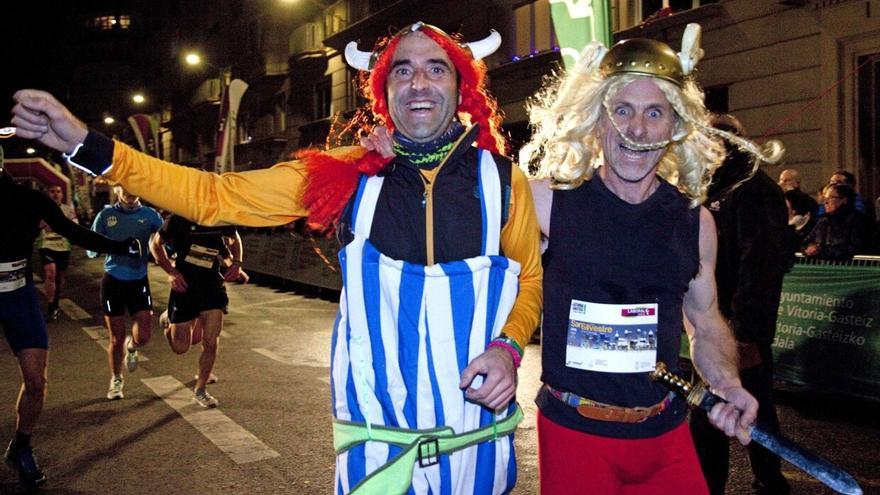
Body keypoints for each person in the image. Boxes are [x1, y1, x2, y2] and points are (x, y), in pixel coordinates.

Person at [12, 21, 542, 494]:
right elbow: (214, 196)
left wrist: (509, 347)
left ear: (461, 85)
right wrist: (87, 145)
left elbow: (531, 281)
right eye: (402, 71)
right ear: (384, 91)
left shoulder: (502, 182)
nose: (419, 84)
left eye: (436, 69)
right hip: (378, 456)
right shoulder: (347, 175)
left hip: (477, 447)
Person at [519, 24, 772, 493]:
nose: (637, 130)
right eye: (622, 111)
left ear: (675, 126)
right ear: (597, 121)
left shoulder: (695, 223)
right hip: (576, 433)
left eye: (654, 112)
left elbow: (705, 321)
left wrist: (728, 382)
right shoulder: (547, 205)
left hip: (664, 433)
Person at [0, 146, 140, 489]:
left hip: (17, 293)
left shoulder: (27, 199)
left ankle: (21, 446)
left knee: (36, 381)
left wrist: (122, 247)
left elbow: (74, 233)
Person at [689, 114, 791, 495]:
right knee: (732, 408)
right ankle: (747, 480)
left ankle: (766, 480)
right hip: (718, 318)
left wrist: (745, 330)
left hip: (738, 323)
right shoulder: (719, 187)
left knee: (744, 408)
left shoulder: (753, 189)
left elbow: (762, 262)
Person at [150, 214, 245, 408]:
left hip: (212, 286)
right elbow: (155, 245)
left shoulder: (220, 216)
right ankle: (168, 320)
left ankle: (200, 390)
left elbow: (235, 239)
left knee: (211, 341)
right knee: (181, 347)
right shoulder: (178, 218)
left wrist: (237, 264)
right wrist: (171, 272)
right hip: (185, 286)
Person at [90, 186, 163, 400]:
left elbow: (164, 240)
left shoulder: (150, 215)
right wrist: (116, 247)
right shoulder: (106, 215)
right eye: (126, 187)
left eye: (134, 186)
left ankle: (132, 347)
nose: (131, 192)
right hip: (113, 281)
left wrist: (168, 252)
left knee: (145, 336)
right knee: (116, 338)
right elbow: (91, 249)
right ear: (117, 189)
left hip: (139, 280)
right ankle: (116, 379)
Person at [35, 185, 78, 321]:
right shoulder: (41, 208)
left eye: (58, 192)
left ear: (62, 195)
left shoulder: (68, 209)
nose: (55, 194)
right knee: (50, 273)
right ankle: (51, 306)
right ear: (48, 193)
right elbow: (40, 225)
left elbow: (75, 225)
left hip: (63, 246)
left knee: (60, 278)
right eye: (52, 191)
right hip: (46, 245)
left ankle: (56, 302)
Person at [804, 183, 867, 261]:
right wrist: (809, 248)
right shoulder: (823, 220)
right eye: (825, 198)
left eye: (831, 198)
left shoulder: (856, 219)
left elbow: (854, 247)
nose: (825, 202)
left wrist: (821, 252)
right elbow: (806, 242)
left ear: (844, 200)